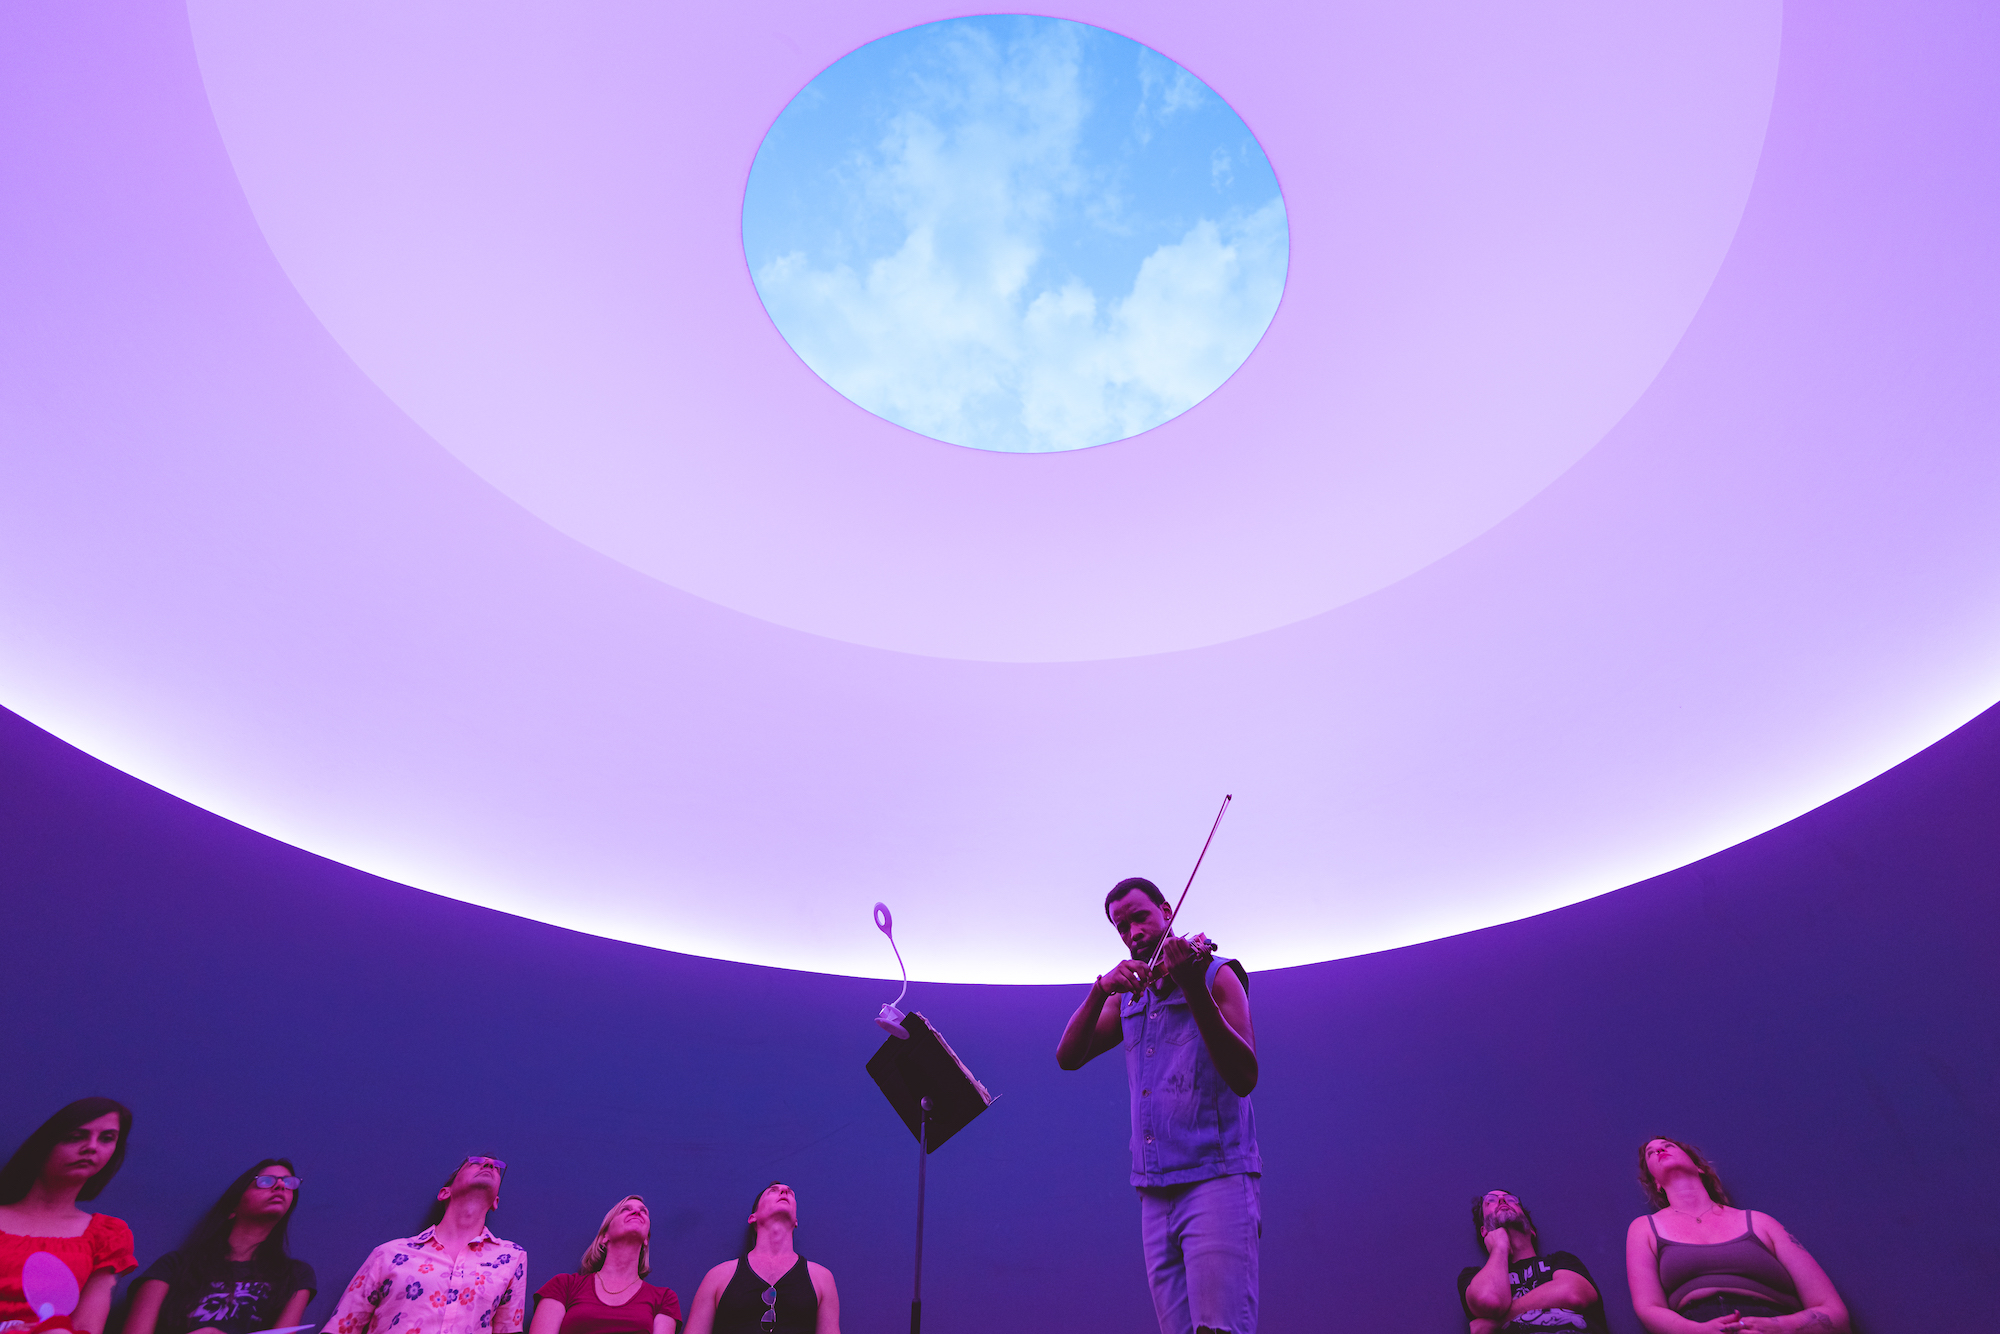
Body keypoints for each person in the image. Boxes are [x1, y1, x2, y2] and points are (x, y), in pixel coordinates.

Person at [1056, 876, 1261, 1334]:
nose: (1133, 933)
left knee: (1221, 1330)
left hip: (1217, 1178)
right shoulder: (1132, 994)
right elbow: (1068, 1057)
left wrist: (1192, 988)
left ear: (1166, 911)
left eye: (1141, 917)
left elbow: (1245, 1075)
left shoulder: (1216, 973)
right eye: (1121, 927)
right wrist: (1099, 990)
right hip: (1152, 1189)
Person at [1624, 1137, 1849, 1333]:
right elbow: (1648, 1308)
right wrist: (1697, 1331)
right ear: (1656, 1183)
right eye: (1651, 1153)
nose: (1659, 1150)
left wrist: (1779, 1327)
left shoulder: (1760, 1222)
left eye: (1668, 1145)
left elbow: (1833, 1312)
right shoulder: (1644, 1228)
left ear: (1699, 1166)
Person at [323, 1155, 525, 1334]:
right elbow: (343, 1326)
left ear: (495, 1202)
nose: (489, 1165)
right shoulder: (389, 1254)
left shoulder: (511, 1258)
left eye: (495, 1166)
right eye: (476, 1162)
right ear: (445, 1193)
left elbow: (507, 1329)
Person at [125, 1159, 316, 1334]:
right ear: (233, 1206)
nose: (281, 1186)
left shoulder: (295, 1275)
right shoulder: (174, 1266)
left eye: (289, 1182)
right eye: (266, 1181)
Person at [0, 1098, 137, 1334]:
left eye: (106, 1138)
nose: (91, 1147)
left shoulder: (107, 1235)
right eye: (76, 1136)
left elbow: (87, 1327)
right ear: (45, 1144)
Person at [680, 1184, 837, 1334]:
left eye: (790, 1192)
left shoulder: (822, 1278)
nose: (784, 1191)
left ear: (796, 1221)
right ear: (752, 1217)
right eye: (773, 1191)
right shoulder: (718, 1276)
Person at [1457, 1188, 1606, 1333]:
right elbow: (1489, 1301)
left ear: (1531, 1229)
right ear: (1484, 1231)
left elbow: (1573, 1294)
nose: (1502, 1201)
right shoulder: (1473, 1277)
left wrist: (1498, 1322)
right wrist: (1500, 1247)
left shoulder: (1560, 1261)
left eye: (1511, 1200)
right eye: (1490, 1201)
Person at [528, 1196, 679, 1334]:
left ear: (646, 1239)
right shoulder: (564, 1285)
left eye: (643, 1211)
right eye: (625, 1209)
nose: (636, 1212)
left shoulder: (664, 1298)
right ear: (604, 1236)